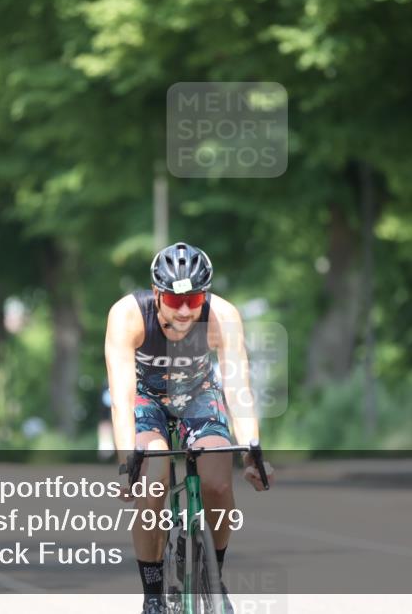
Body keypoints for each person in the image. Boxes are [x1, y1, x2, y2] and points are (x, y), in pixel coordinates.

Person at [104, 242, 273, 614]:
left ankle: (215, 579)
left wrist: (251, 449)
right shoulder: (128, 316)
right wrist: (126, 463)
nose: (183, 311)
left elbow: (238, 387)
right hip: (146, 397)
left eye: (193, 301)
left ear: (205, 296)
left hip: (198, 393)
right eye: (173, 300)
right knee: (154, 476)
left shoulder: (222, 316)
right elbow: (121, 398)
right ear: (156, 293)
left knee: (217, 482)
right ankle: (152, 593)